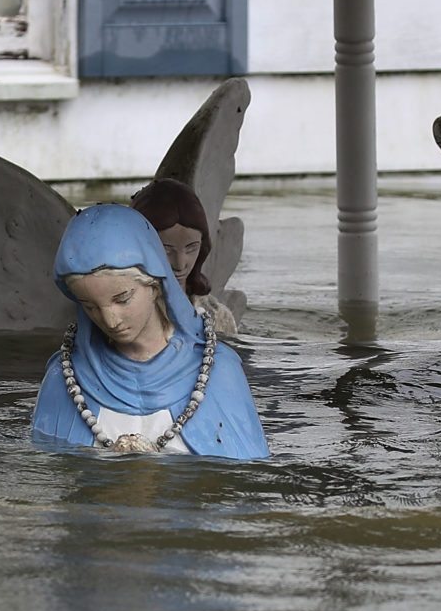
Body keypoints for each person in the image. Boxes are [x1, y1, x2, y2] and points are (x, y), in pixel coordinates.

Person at [30, 203, 269, 458]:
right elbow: (45, 476)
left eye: (122, 299)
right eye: (90, 306)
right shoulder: (65, 378)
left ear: (155, 283)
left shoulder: (217, 372)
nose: (110, 320)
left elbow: (244, 481)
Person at [129, 178, 241, 338]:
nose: (180, 264)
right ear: (138, 246)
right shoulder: (118, 312)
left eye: (192, 248)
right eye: (166, 250)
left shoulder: (217, 315)